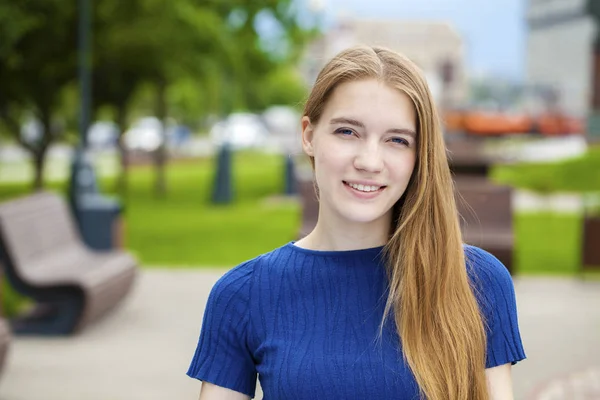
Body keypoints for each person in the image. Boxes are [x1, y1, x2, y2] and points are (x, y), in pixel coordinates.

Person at [187, 46, 526, 400]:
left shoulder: (478, 281)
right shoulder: (243, 294)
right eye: (348, 132)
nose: (369, 161)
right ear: (308, 135)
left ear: (418, 155)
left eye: (397, 140)